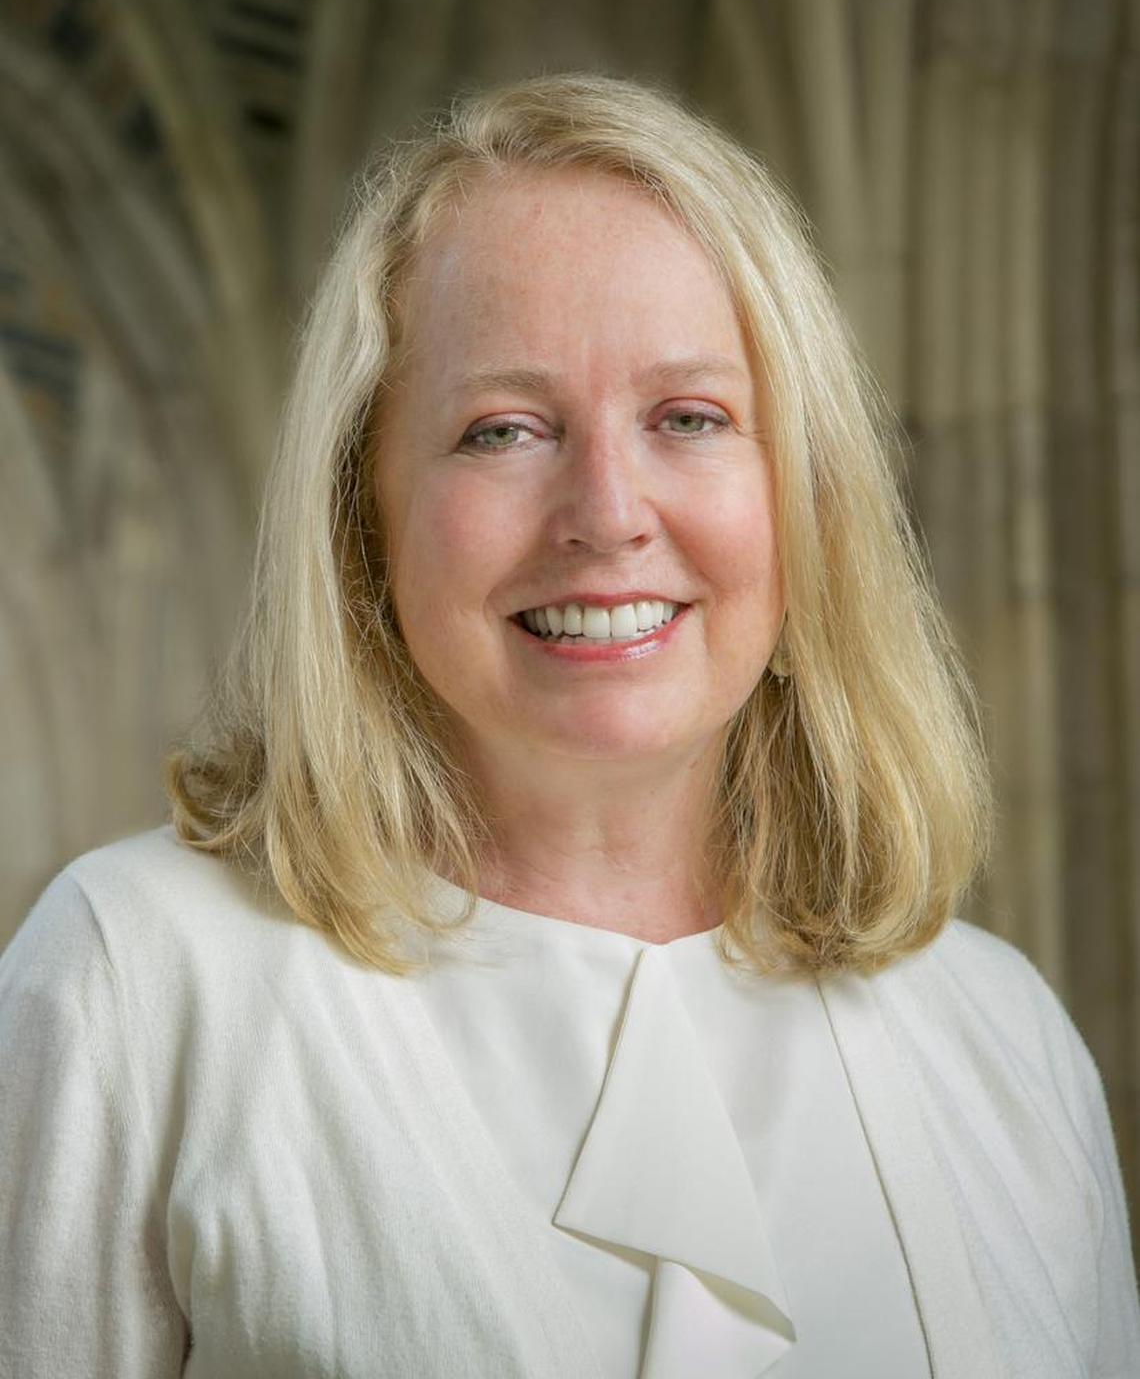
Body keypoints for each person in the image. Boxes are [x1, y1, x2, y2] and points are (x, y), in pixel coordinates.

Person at [0, 72, 1136, 1379]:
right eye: (503, 430)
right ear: (362, 516)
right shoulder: (134, 983)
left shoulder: (1000, 1035)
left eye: (690, 419)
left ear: (803, 499)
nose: (606, 511)